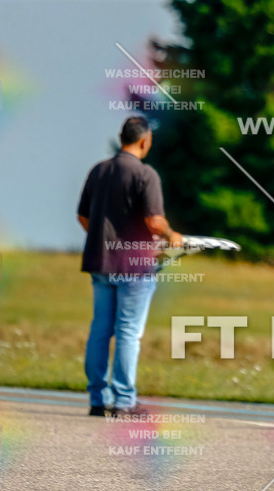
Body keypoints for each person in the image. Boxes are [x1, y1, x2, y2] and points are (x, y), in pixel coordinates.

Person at [77, 116, 183, 417]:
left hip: (101, 263)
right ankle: (124, 400)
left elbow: (84, 217)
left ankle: (97, 398)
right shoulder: (145, 174)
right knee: (127, 332)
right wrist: (172, 236)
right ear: (145, 141)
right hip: (135, 268)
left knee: (100, 330)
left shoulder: (99, 170)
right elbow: (154, 220)